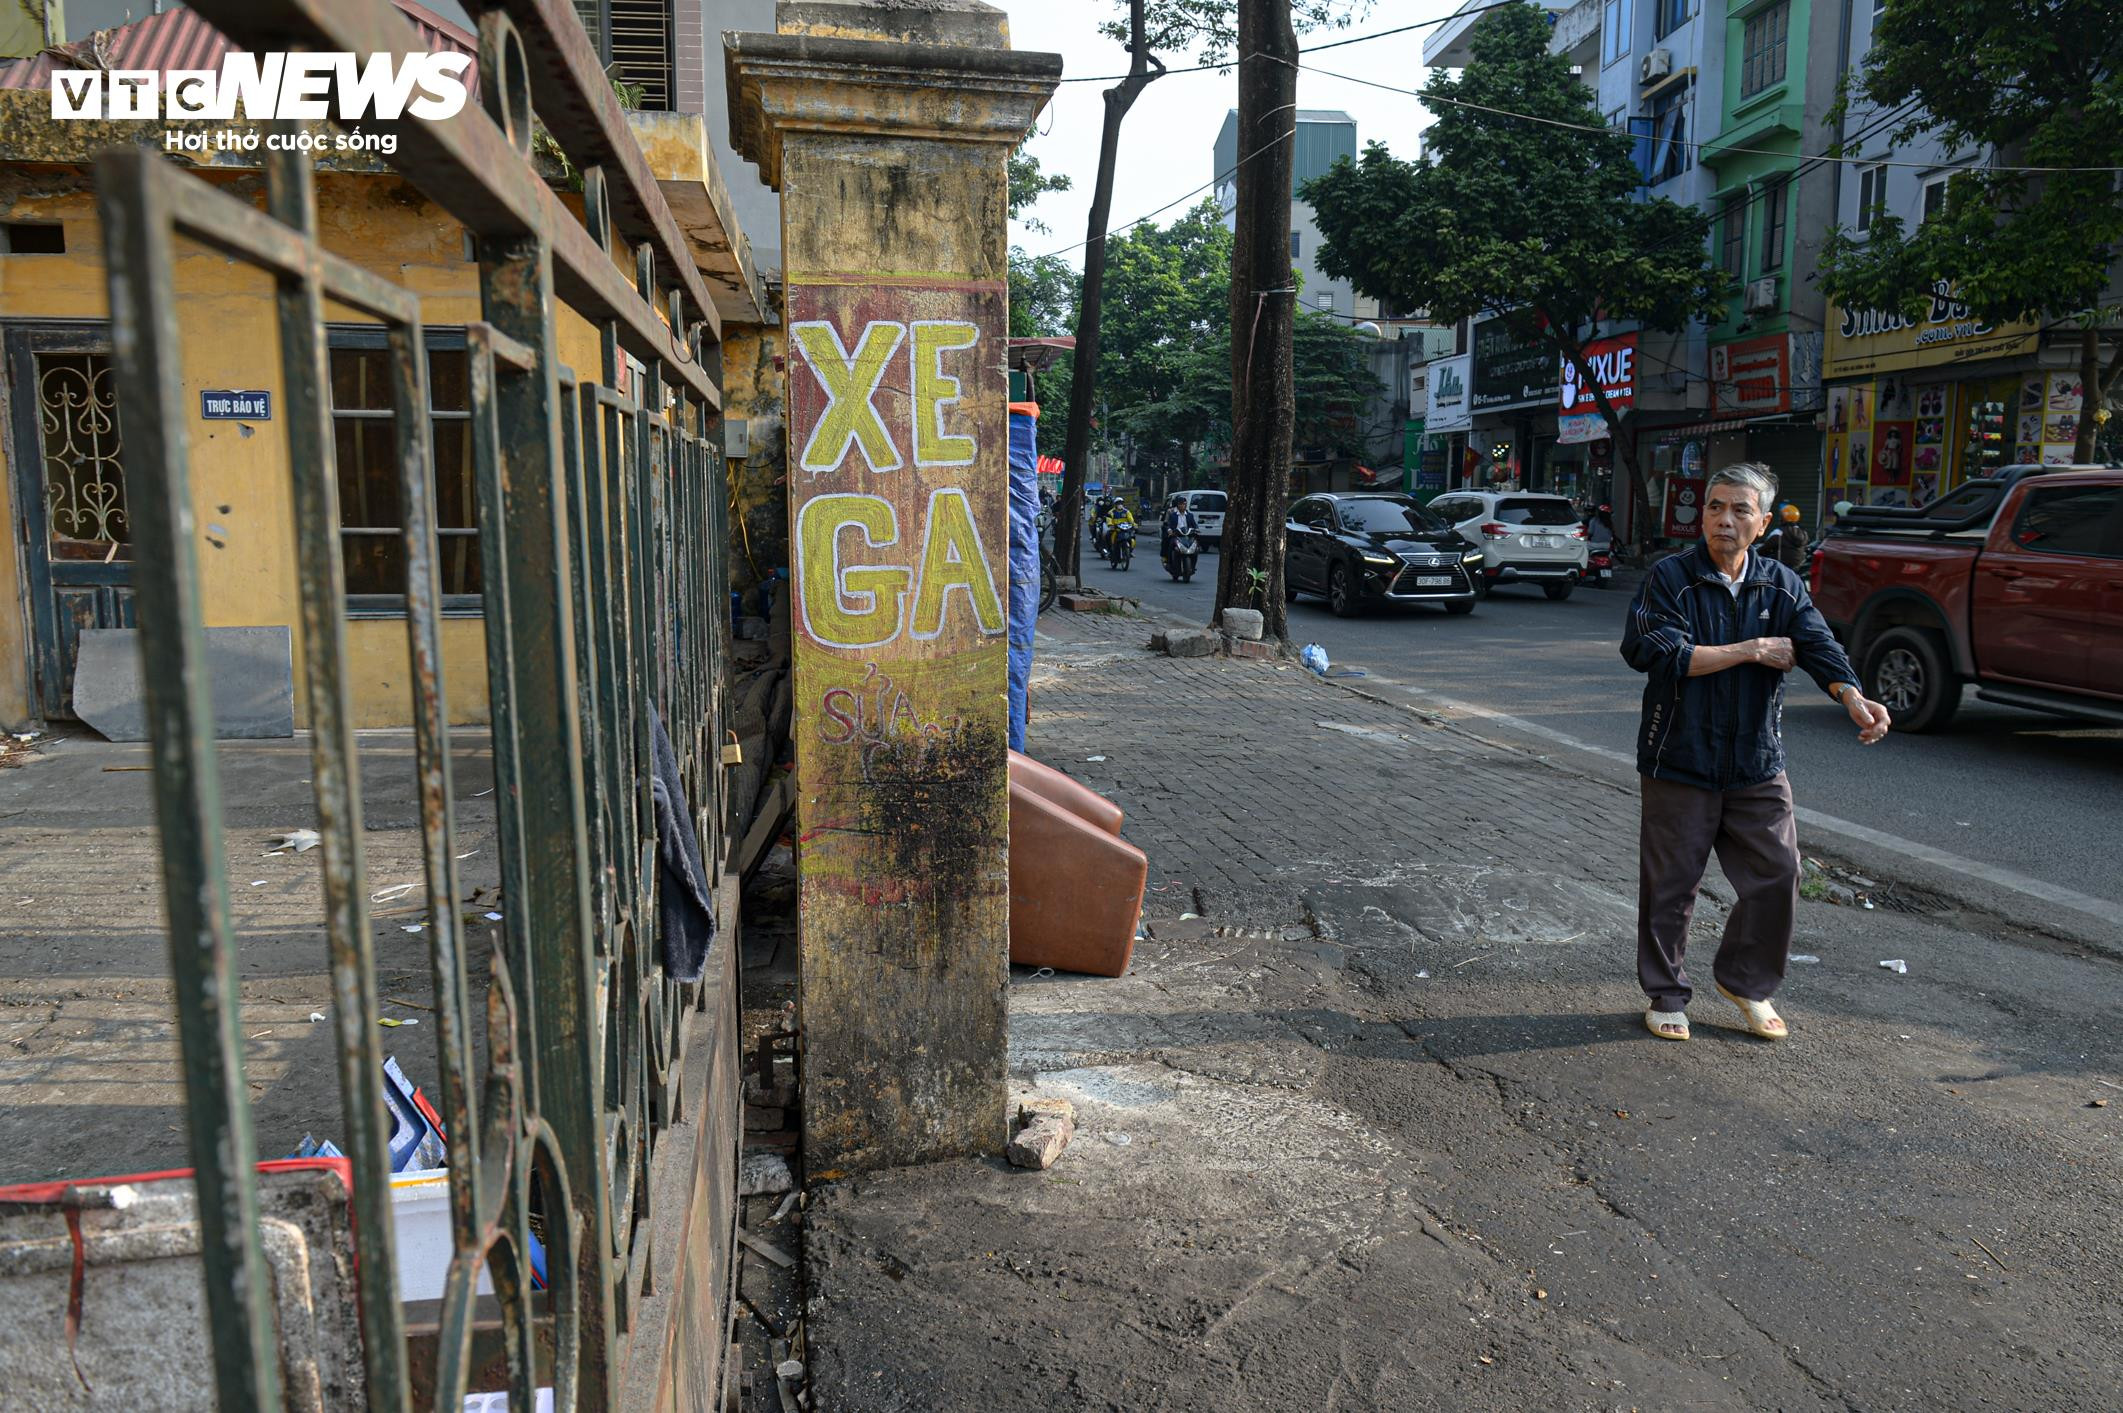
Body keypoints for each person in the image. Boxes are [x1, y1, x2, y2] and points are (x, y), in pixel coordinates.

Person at [1620, 463, 1891, 1044]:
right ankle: (1666, 994)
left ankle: (1745, 981)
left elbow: (1816, 642)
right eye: (1715, 507)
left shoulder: (1781, 583)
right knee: (1672, 885)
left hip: (1756, 760)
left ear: (1763, 522)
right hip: (1680, 756)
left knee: (1779, 873)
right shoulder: (1671, 577)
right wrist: (1751, 649)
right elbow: (1655, 652)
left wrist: (1852, 695)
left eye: (1740, 509)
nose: (1724, 519)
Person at [1161, 495, 1199, 562]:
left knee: (1196, 546)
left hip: (1187, 536)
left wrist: (1196, 529)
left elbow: (1194, 525)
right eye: (1180, 504)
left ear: (1186, 505)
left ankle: (1193, 562)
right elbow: (1168, 524)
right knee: (1169, 543)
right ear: (1177, 505)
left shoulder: (1190, 515)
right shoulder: (1172, 514)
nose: (1182, 506)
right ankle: (1169, 561)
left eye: (1183, 504)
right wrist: (1169, 530)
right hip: (1176, 535)